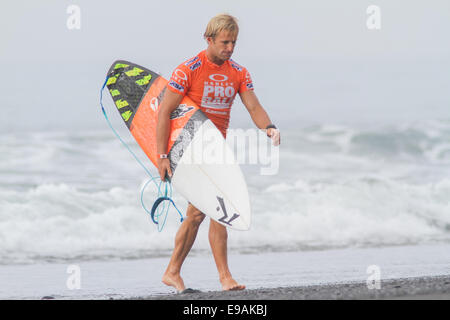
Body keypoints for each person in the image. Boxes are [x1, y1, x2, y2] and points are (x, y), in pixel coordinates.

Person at [156, 13, 280, 293]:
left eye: (234, 42)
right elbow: (164, 111)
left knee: (202, 212)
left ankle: (173, 271)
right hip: (189, 147)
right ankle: (222, 277)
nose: (230, 48)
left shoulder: (238, 72)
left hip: (216, 149)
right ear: (209, 39)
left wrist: (269, 127)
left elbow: (253, 107)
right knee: (212, 209)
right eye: (225, 42)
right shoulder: (188, 69)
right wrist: (162, 156)